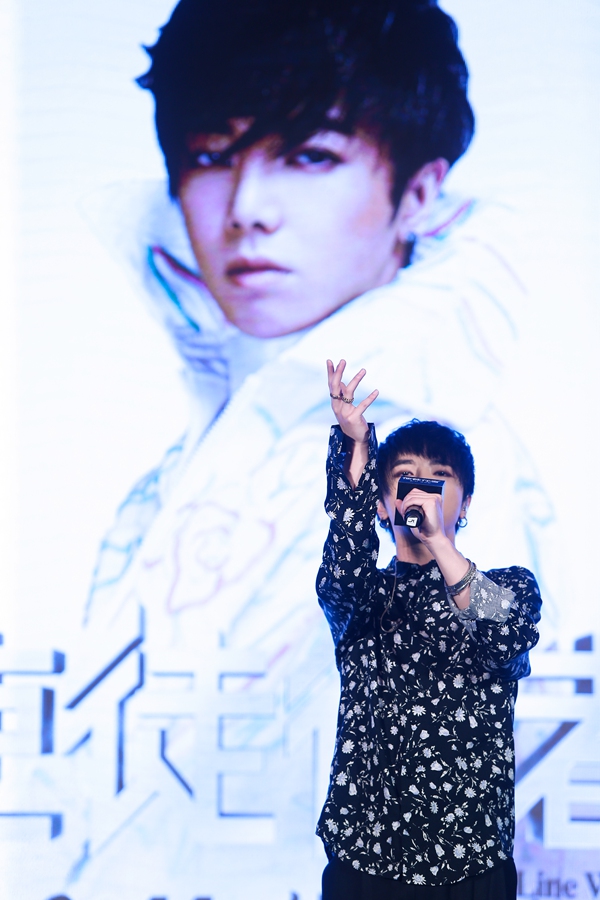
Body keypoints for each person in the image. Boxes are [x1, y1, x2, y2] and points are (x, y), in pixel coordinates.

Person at [67, 0, 555, 894]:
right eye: (210, 155)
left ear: (419, 192)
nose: (247, 209)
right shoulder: (215, 437)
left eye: (309, 156)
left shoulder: (441, 452)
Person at [317, 359, 542, 898]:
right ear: (382, 504)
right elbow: (342, 567)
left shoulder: (510, 586)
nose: (422, 489)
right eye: (406, 478)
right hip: (365, 859)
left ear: (465, 504)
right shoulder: (363, 598)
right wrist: (356, 445)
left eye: (439, 478)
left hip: (470, 862)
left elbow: (507, 634)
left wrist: (439, 542)